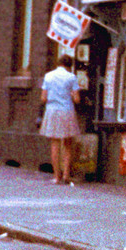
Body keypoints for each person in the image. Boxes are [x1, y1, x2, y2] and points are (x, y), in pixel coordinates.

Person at [40, 52, 84, 186]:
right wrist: (70, 94)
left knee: (55, 143)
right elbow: (77, 99)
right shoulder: (71, 77)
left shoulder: (48, 76)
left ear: (58, 64)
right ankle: (66, 174)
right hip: (67, 111)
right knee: (68, 143)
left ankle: (56, 177)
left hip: (52, 111)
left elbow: (43, 98)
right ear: (69, 66)